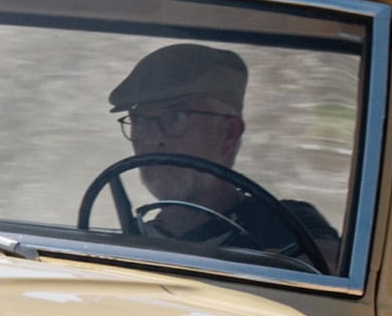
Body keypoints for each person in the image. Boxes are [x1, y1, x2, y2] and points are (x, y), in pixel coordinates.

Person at [105, 41, 340, 270]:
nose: (152, 139)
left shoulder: (287, 225)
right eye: (139, 121)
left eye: (177, 117)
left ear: (228, 133)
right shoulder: (131, 239)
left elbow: (327, 268)